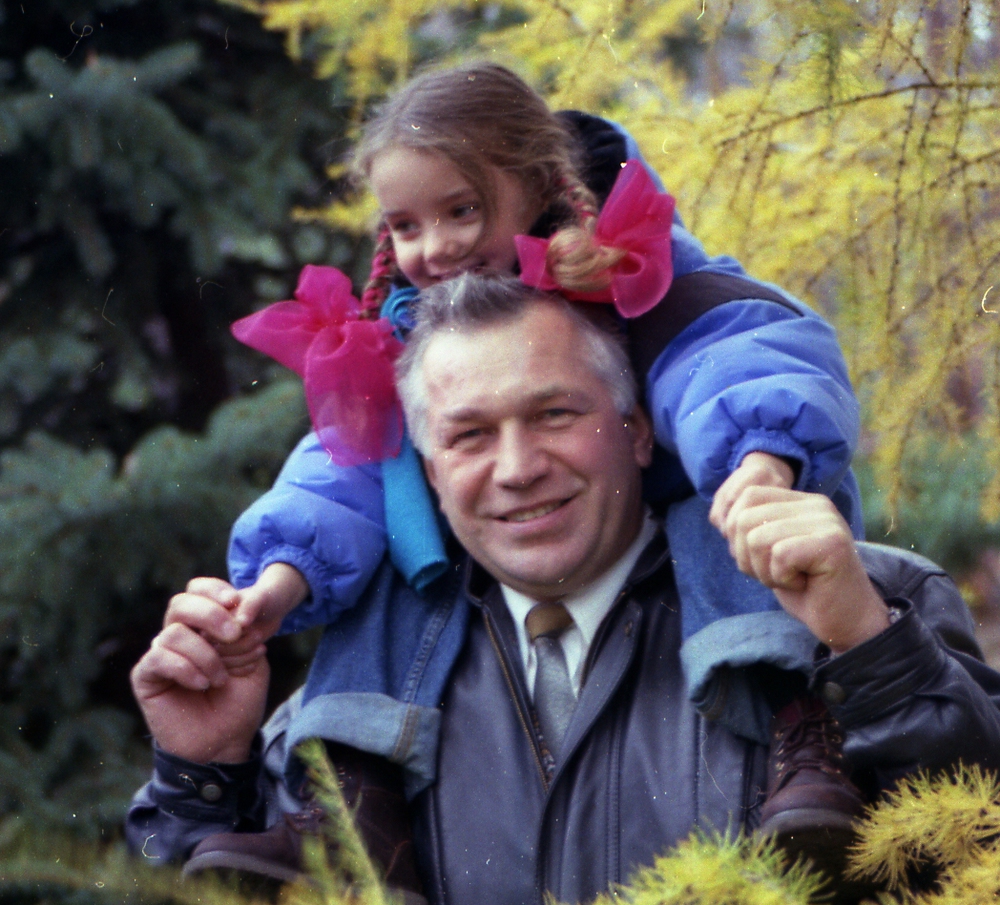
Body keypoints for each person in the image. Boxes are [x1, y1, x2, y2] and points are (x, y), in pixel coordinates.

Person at [127, 277, 1000, 905]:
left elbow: (974, 879)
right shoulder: (358, 710)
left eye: (554, 415)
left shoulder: (849, 599)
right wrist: (199, 775)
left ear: (636, 428)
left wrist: (872, 649)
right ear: (427, 473)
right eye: (469, 434)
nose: (516, 467)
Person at [219, 61, 864, 854]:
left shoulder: (631, 263)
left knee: (723, 512)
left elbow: (735, 351)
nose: (438, 248)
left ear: (537, 182)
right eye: (408, 226)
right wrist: (281, 573)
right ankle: (357, 802)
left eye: (462, 210)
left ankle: (794, 723)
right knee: (400, 541)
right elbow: (344, 461)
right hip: (517, 561)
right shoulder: (412, 328)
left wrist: (759, 458)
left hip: (696, 514)